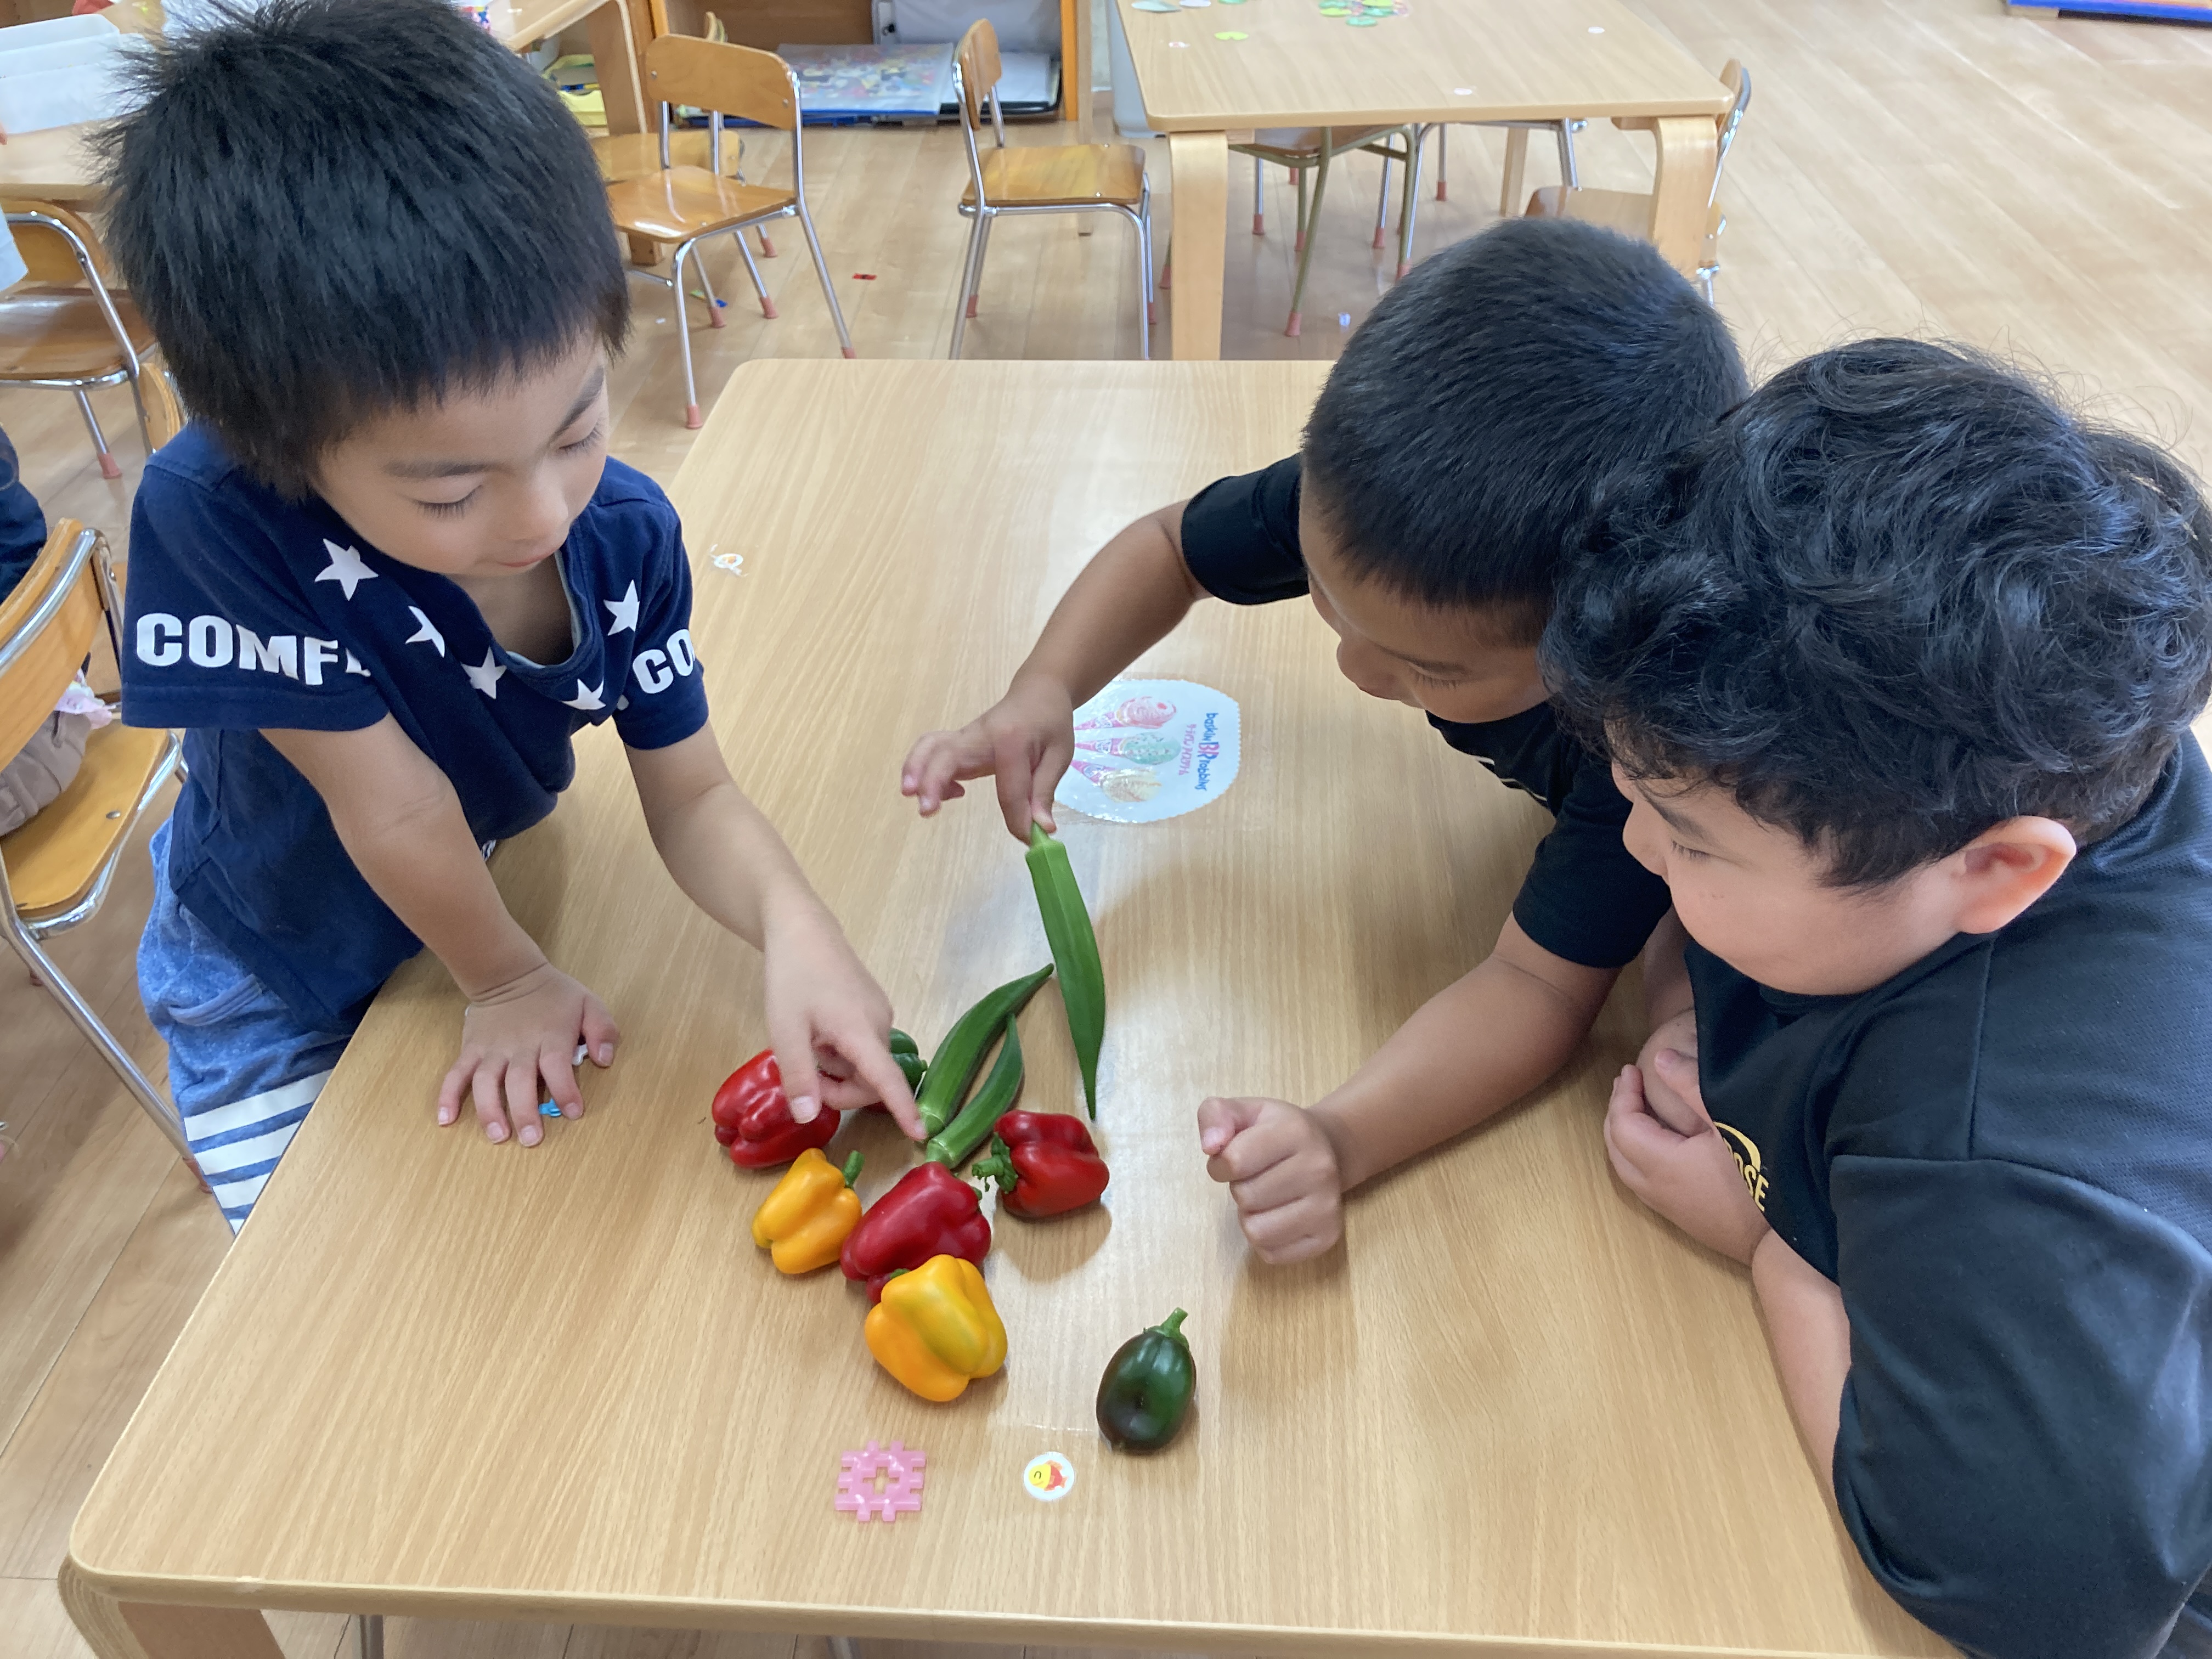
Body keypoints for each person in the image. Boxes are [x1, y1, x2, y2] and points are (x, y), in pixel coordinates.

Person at [106, 0, 918, 1232]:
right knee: (333, 1269)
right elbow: (391, 807)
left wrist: (793, 924)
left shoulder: (626, 533)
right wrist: (506, 980)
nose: (544, 512)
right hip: (275, 965)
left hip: (466, 882)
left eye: (579, 428)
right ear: (276, 447)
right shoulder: (216, 511)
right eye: (450, 491)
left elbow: (694, 791)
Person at [901, 219, 1747, 1263]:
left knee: (1691, 963)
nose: (1355, 667)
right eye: (1328, 598)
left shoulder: (1647, 760)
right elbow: (1170, 546)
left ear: (1597, 649)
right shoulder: (1378, 506)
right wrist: (1045, 689)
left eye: (1430, 671)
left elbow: (1536, 989)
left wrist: (1343, 1136)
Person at [1544, 338, 2212, 1656]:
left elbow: (2045, 1607)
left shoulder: (1992, 1164)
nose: (1636, 849)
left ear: (1999, 870)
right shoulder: (2050, 735)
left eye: (1691, 840)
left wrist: (1780, 1242)